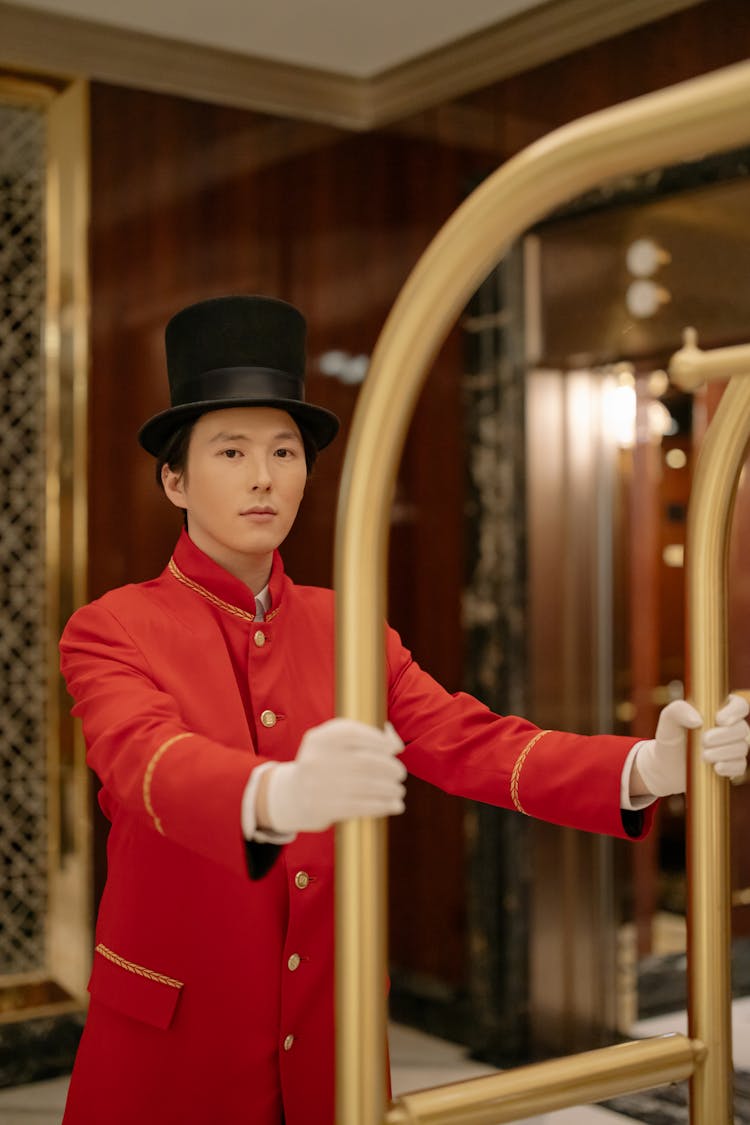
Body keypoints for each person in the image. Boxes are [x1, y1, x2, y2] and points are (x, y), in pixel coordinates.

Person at [59, 295, 750, 1125]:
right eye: (231, 450)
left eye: (285, 451)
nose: (263, 476)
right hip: (172, 1050)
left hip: (329, 1037)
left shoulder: (344, 624)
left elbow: (465, 740)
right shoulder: (111, 625)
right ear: (175, 477)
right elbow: (142, 760)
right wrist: (270, 795)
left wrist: (644, 766)